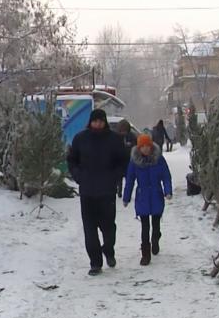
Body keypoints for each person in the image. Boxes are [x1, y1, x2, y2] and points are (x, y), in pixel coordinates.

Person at [67, 109, 122, 276]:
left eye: (100, 121)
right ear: (90, 122)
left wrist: (115, 177)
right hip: (87, 192)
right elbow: (72, 160)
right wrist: (78, 176)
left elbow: (122, 161)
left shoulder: (114, 139)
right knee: (90, 230)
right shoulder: (80, 139)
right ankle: (95, 263)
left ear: (105, 122)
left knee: (108, 228)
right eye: (95, 121)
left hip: (107, 192)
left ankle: (109, 250)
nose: (98, 124)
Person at [122, 134, 172, 266]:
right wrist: (126, 197)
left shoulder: (159, 159)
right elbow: (130, 180)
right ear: (139, 148)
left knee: (155, 224)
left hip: (156, 195)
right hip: (142, 196)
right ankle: (145, 254)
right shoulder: (134, 162)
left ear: (151, 146)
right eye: (142, 146)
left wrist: (168, 191)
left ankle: (155, 239)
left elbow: (166, 176)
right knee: (145, 227)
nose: (145, 149)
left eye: (147, 146)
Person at [114, 119, 136, 198]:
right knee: (119, 179)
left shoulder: (132, 136)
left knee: (129, 179)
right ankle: (119, 191)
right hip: (119, 161)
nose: (123, 132)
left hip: (129, 161)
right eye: (122, 130)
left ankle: (128, 193)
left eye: (125, 130)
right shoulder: (115, 136)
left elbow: (135, 147)